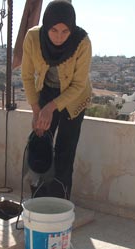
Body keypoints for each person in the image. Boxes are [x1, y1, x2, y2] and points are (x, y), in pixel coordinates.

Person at [21, 0, 92, 200]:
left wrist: (50, 108)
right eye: (53, 30)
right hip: (46, 91)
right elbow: (27, 76)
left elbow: (78, 85)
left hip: (74, 98)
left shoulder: (82, 42)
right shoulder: (33, 38)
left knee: (65, 149)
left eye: (64, 31)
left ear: (72, 29)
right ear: (46, 25)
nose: (59, 37)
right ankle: (39, 199)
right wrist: (37, 111)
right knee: (41, 143)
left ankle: (60, 200)